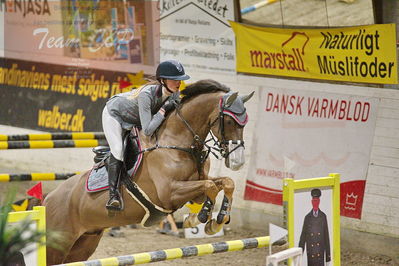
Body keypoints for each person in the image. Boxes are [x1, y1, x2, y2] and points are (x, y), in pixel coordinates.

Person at [102, 59, 190, 211]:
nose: (178, 84)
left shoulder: (174, 94)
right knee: (117, 149)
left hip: (135, 118)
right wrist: (163, 110)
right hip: (115, 114)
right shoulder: (146, 95)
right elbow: (148, 131)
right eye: (175, 80)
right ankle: (113, 195)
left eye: (180, 80)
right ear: (162, 80)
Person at [298, 188, 331, 266]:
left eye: (317, 200)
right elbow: (303, 237)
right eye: (314, 200)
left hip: (320, 253)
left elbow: (326, 237)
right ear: (311, 202)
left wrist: (328, 257)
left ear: (319, 202)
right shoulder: (307, 217)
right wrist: (299, 255)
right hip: (311, 253)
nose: (315, 202)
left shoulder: (323, 216)